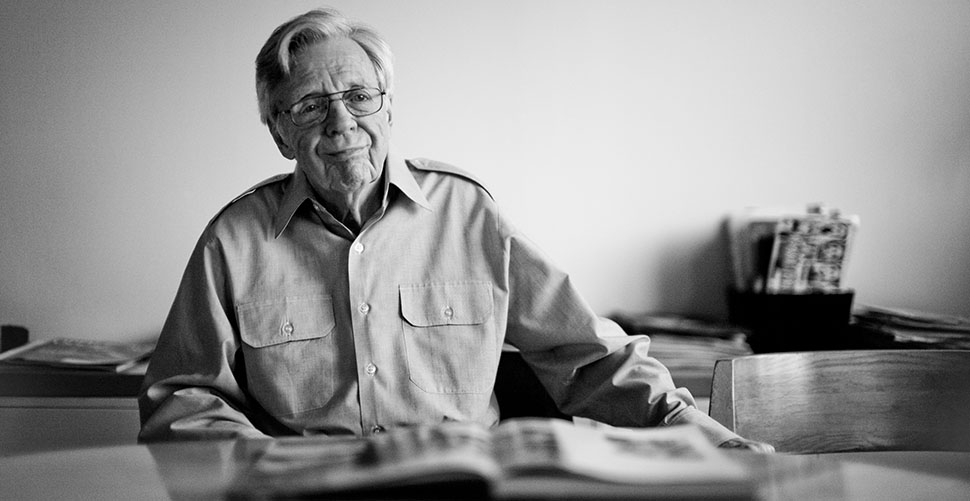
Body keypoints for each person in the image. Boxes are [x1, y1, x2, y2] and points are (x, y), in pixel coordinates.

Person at [138, 7, 772, 453]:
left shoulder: (470, 216)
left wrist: (708, 437)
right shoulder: (234, 239)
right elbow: (181, 398)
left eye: (359, 96)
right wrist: (262, 467)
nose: (341, 124)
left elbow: (591, 358)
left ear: (389, 106)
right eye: (309, 105)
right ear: (279, 132)